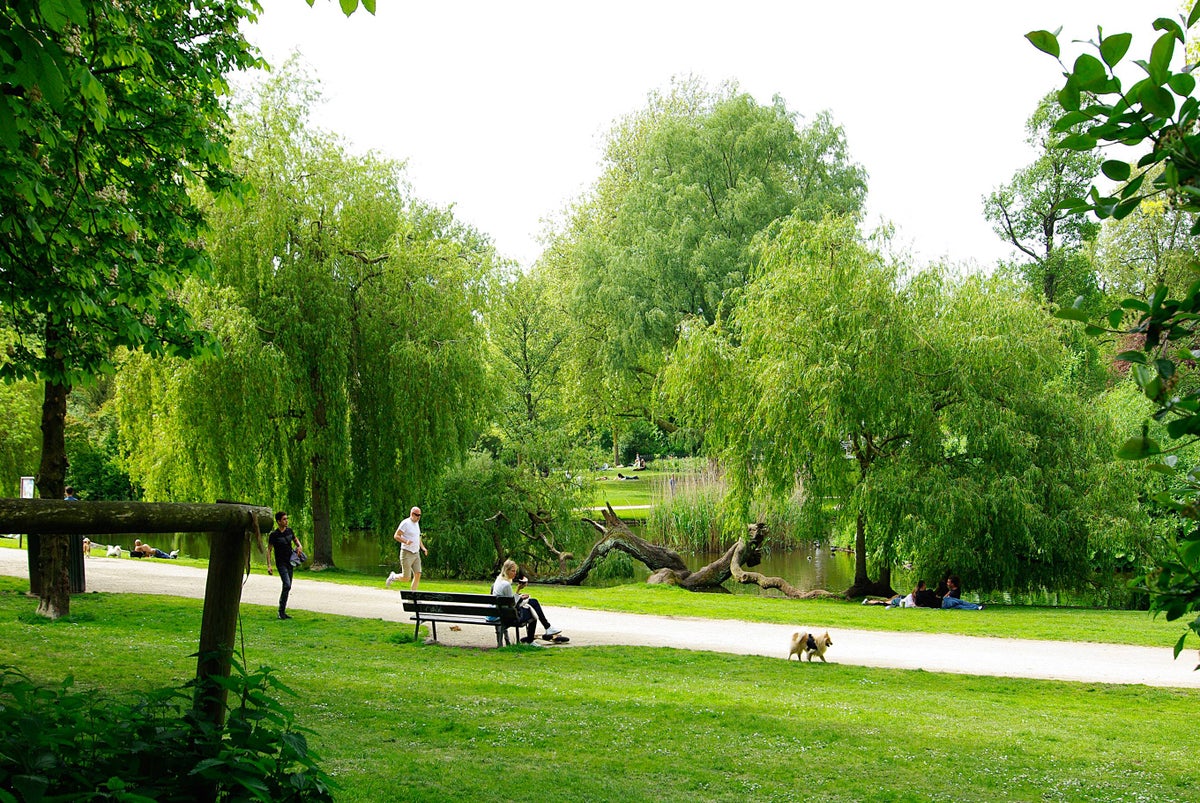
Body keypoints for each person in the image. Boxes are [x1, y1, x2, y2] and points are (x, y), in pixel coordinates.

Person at [491, 559, 563, 643]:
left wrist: (520, 595)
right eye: (513, 571)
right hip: (509, 616)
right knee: (533, 612)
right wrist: (519, 592)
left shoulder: (498, 580)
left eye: (515, 571)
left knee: (533, 602)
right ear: (506, 570)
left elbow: (509, 600)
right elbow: (513, 604)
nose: (515, 573)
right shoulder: (506, 585)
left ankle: (548, 628)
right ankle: (531, 640)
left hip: (502, 612)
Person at [266, 511, 303, 620]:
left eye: (287, 519)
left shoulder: (289, 531)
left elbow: (296, 541)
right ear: (278, 521)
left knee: (287, 586)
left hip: (290, 562)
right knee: (287, 584)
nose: (286, 521)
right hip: (280, 563)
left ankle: (282, 612)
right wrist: (269, 565)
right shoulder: (274, 535)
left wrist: (299, 546)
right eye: (284, 519)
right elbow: (269, 550)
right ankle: (280, 611)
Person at [387, 506, 428, 590]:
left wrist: (423, 548)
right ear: (412, 514)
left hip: (416, 553)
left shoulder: (417, 523)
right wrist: (406, 541)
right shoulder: (405, 523)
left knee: (418, 574)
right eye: (417, 515)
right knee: (406, 578)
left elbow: (418, 538)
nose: (418, 517)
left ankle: (413, 594)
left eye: (420, 515)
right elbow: (396, 536)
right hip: (406, 552)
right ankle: (393, 576)